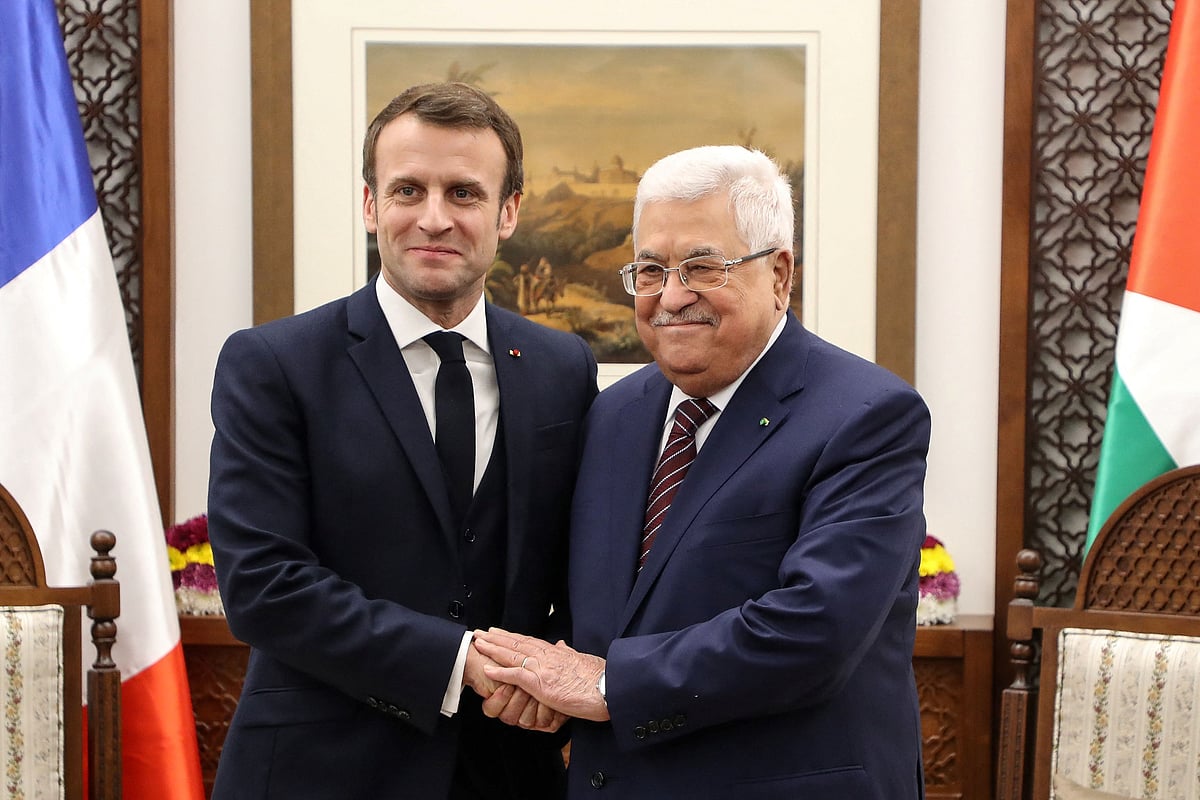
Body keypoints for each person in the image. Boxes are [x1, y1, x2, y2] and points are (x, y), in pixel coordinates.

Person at [474, 145, 931, 799]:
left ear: (779, 275)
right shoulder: (614, 415)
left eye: (701, 267)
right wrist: (532, 678)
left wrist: (604, 685)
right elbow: (602, 620)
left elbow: (815, 630)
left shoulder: (868, 417)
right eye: (651, 269)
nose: (672, 296)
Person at [207, 82, 597, 799]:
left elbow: (581, 561)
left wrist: (564, 679)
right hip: (319, 772)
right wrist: (455, 661)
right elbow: (262, 586)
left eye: (465, 193)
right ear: (369, 205)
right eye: (408, 190)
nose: (434, 218)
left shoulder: (562, 367)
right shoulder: (273, 365)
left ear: (508, 211)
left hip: (511, 772)